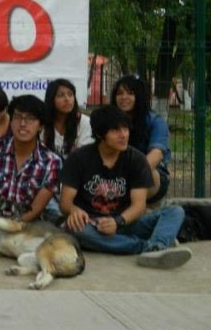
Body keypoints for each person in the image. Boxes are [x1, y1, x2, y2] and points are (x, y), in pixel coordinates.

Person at [60, 106, 190, 268]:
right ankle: (150, 248)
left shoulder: (136, 159)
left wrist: (118, 222)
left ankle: (156, 247)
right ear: (100, 134)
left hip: (127, 222)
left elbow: (139, 205)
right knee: (77, 231)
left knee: (175, 211)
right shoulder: (79, 158)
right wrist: (74, 210)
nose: (123, 135)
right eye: (115, 130)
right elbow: (65, 202)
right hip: (93, 225)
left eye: (125, 129)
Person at [0, 94, 62, 238]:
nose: (23, 124)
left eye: (30, 119)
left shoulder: (52, 162)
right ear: (10, 121)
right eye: (18, 117)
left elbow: (36, 209)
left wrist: (7, 228)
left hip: (26, 225)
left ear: (41, 126)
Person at [111, 75, 171, 203]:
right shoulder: (108, 122)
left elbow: (156, 155)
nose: (124, 97)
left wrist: (127, 178)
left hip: (148, 174)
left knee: (151, 174)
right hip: (114, 175)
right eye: (120, 93)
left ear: (139, 96)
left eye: (130, 93)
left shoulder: (155, 121)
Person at [41, 78, 92, 159]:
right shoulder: (42, 123)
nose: (67, 99)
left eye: (70, 94)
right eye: (60, 95)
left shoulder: (84, 122)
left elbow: (84, 155)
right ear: (51, 99)